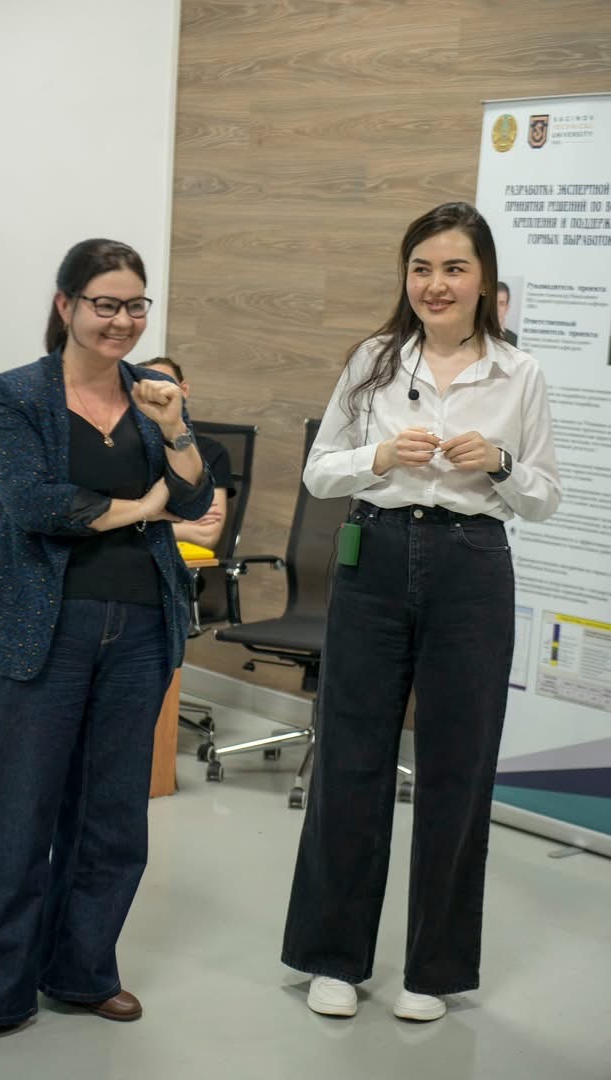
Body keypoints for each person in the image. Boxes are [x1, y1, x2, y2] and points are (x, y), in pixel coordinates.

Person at [0, 238, 213, 1053]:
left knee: (112, 816)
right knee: (16, 813)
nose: (121, 321)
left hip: (140, 628)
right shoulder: (19, 391)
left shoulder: (152, 394)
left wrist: (175, 429)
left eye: (135, 306)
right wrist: (145, 506)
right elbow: (36, 504)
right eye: (105, 304)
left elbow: (195, 496)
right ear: (67, 306)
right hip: (42, 628)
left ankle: (82, 971)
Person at [281, 203, 561, 1023]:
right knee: (350, 756)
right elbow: (319, 473)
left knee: (457, 766)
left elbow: (543, 496)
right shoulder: (373, 360)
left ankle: (431, 972)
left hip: (471, 566)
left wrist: (500, 462)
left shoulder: (519, 373)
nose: (435, 284)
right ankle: (332, 958)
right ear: (405, 277)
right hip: (372, 554)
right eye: (420, 268)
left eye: (453, 268)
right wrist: (376, 455)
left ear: (484, 280)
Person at [141, 357, 236, 552]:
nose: (157, 394)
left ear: (183, 390)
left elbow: (206, 535)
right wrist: (182, 524)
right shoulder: (122, 445)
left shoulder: (210, 451)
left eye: (164, 384)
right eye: (148, 389)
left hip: (180, 560)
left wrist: (139, 520)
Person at [497, 281, 518, 346]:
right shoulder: (474, 337)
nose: (496, 308)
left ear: (507, 308)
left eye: (501, 304)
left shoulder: (516, 340)